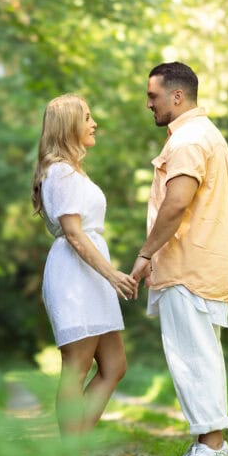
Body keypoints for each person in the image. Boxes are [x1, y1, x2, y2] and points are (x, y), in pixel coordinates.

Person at [130, 62, 228, 456]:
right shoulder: (203, 134)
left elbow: (176, 204)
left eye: (153, 96)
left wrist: (144, 255)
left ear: (177, 96)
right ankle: (206, 441)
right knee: (198, 355)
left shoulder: (190, 139)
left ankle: (212, 447)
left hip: (187, 265)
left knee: (193, 358)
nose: (148, 104)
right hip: (199, 263)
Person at [32, 94, 138, 437]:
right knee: (76, 366)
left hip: (91, 275)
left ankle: (72, 447)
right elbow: (74, 234)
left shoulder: (72, 171)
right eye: (88, 117)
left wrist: (105, 275)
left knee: (114, 366)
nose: (94, 124)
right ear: (69, 126)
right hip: (75, 276)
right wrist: (112, 274)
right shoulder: (60, 172)